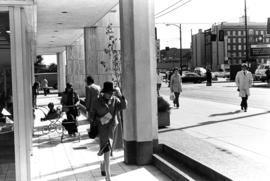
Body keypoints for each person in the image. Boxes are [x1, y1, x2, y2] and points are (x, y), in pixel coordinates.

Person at [90, 81, 127, 181]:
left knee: (108, 150)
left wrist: (120, 95)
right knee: (107, 149)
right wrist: (99, 119)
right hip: (102, 129)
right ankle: (108, 176)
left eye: (112, 92)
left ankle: (103, 164)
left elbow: (124, 106)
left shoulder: (115, 100)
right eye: (108, 92)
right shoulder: (97, 101)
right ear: (104, 92)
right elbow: (91, 115)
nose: (110, 94)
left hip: (112, 128)